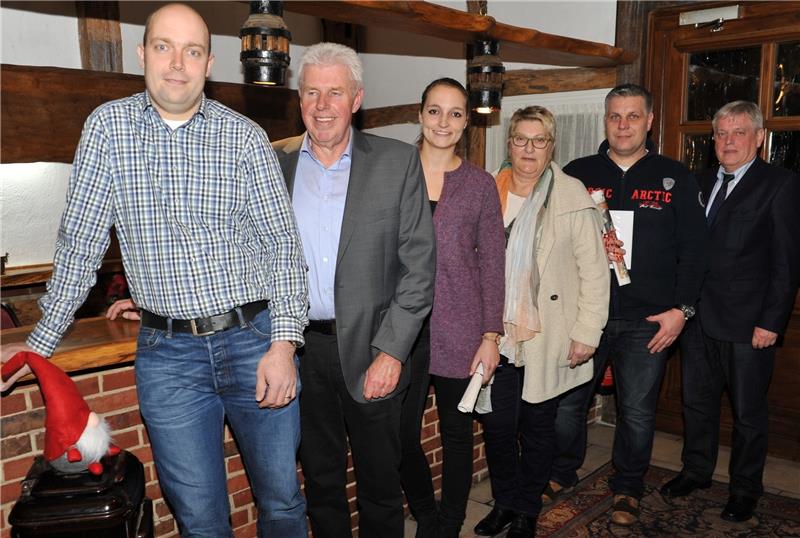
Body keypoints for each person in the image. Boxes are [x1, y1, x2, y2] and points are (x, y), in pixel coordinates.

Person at [0, 4, 309, 536]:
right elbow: (80, 245)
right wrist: (39, 342)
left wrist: (283, 345)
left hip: (254, 342)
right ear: (143, 54)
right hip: (169, 359)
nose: (177, 63)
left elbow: (282, 246)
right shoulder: (108, 129)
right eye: (165, 47)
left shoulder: (244, 137)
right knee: (200, 520)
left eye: (192, 51)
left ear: (208, 64)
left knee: (281, 502)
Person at [275, 43, 436, 538]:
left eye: (335, 92)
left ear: (357, 98)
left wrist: (392, 352)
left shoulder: (397, 162)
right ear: (300, 99)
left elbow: (419, 269)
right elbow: (244, 252)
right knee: (320, 482)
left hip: (373, 349)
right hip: (300, 351)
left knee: (380, 485)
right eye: (312, 92)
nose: (322, 105)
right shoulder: (274, 165)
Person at [558, 84, 708, 526]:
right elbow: (556, 242)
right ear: (604, 120)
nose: (623, 125)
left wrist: (682, 310)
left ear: (649, 121)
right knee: (568, 404)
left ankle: (627, 486)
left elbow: (695, 251)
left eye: (633, 116)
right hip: (585, 315)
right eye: (614, 116)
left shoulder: (675, 177)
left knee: (638, 412)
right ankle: (561, 472)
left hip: (648, 319)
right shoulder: (576, 173)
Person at [473, 106, 610, 538]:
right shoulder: (487, 189)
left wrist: (587, 333)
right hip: (495, 333)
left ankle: (526, 509)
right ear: (509, 143)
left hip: (548, 332)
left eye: (539, 140)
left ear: (551, 146)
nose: (529, 149)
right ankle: (505, 502)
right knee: (497, 428)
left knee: (537, 427)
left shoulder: (571, 195)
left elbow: (595, 272)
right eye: (520, 139)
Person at [660, 101, 799, 522]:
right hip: (695, 319)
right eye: (721, 133)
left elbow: (787, 262)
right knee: (696, 403)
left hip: (747, 323)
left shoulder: (780, 184)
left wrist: (771, 322)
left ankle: (745, 489)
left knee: (748, 413)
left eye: (739, 132)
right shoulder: (698, 182)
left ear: (759, 137)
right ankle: (696, 471)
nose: (729, 141)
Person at [398, 78, 505, 538]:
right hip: (400, 329)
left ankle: (448, 524)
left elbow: (493, 264)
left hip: (460, 326)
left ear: (466, 122)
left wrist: (490, 335)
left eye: (456, 113)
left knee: (457, 433)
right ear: (420, 114)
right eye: (435, 110)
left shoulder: (479, 185)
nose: (444, 122)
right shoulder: (392, 171)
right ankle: (425, 511)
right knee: (400, 434)